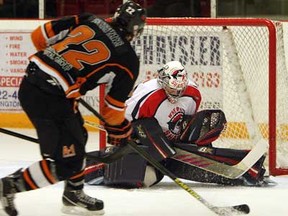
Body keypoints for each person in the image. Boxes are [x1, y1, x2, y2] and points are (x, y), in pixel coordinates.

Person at [0, 1, 146, 216]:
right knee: (66, 164)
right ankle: (10, 185)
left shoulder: (89, 19)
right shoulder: (128, 60)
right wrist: (123, 130)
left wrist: (59, 63)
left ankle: (73, 193)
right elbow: (111, 113)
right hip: (51, 100)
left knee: (78, 135)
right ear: (136, 29)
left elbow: (38, 36)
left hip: (32, 82)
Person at [85, 60, 269, 188]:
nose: (176, 94)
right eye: (172, 89)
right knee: (146, 130)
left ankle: (240, 166)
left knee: (212, 120)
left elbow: (186, 120)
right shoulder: (147, 96)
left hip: (171, 141)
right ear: (162, 81)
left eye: (180, 89)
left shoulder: (192, 93)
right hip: (145, 139)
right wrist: (130, 138)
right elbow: (122, 121)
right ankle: (155, 156)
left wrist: (193, 145)